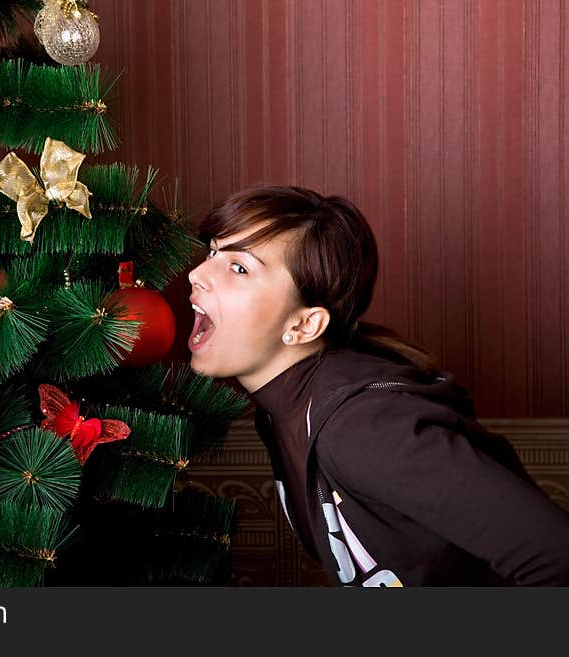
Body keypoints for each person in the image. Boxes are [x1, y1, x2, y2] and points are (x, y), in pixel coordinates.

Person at [187, 185, 569, 586]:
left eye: (239, 268)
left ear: (304, 325)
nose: (197, 274)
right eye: (213, 252)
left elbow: (558, 557)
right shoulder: (284, 413)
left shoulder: (364, 428)